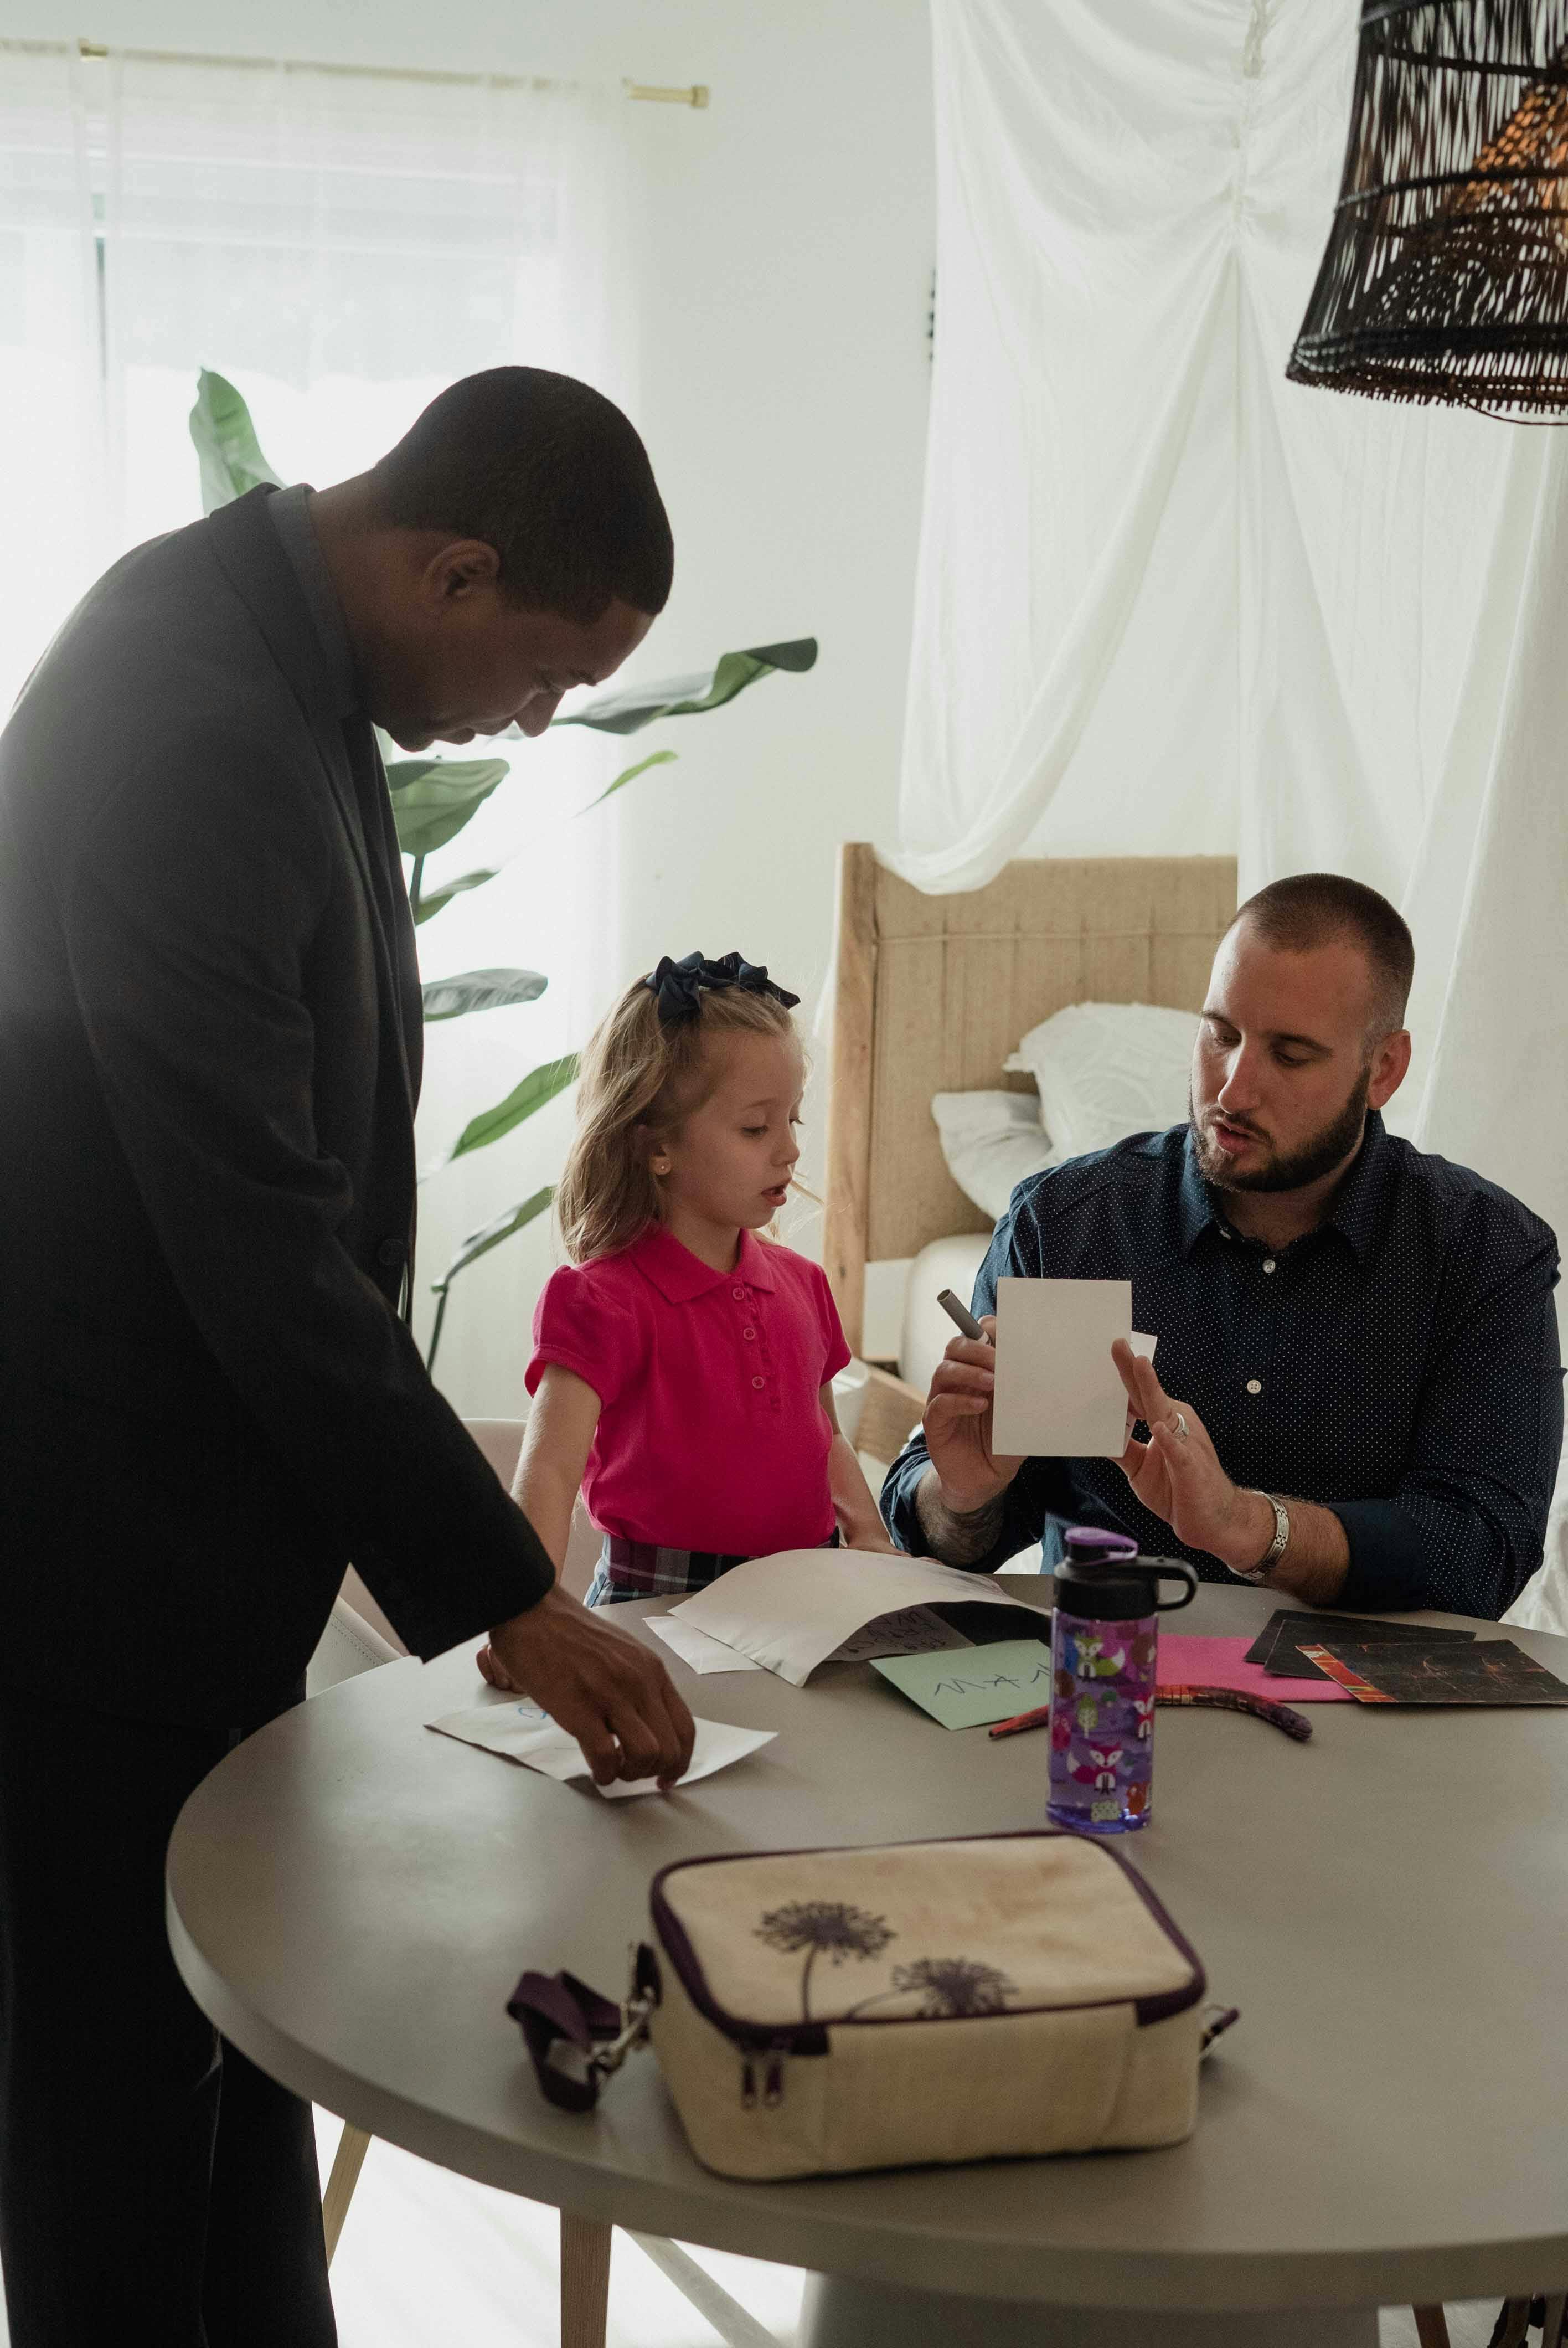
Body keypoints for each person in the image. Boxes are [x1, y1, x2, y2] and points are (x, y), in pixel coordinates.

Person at [0, 367, 699, 2348]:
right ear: (456, 567)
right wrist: (509, 1596)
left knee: (222, 2066)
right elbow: (251, 1234)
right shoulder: (196, 716)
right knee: (111, 2128)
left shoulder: (266, 649)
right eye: (545, 671)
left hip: (174, 1538)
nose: (537, 721)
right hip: (82, 1557)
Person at [883, 874, 1563, 1621]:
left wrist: (1249, 1528)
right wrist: (964, 1497)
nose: (1234, 1091)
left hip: (1365, 1705)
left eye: (1291, 1054)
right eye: (1221, 1034)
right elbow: (955, 1535)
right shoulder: (1069, 1227)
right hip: (1108, 1686)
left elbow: (1483, 1553)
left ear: (1384, 1070)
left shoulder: (1482, 1253)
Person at [477, 950, 888, 1683]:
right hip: (654, 1607)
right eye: (757, 1129)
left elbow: (822, 1436)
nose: (791, 1149)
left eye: (791, 1119)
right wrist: (524, 1618)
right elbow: (547, 1474)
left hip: (804, 1602)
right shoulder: (601, 1300)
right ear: (657, 1145)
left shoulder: (804, 1285)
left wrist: (875, 1542)